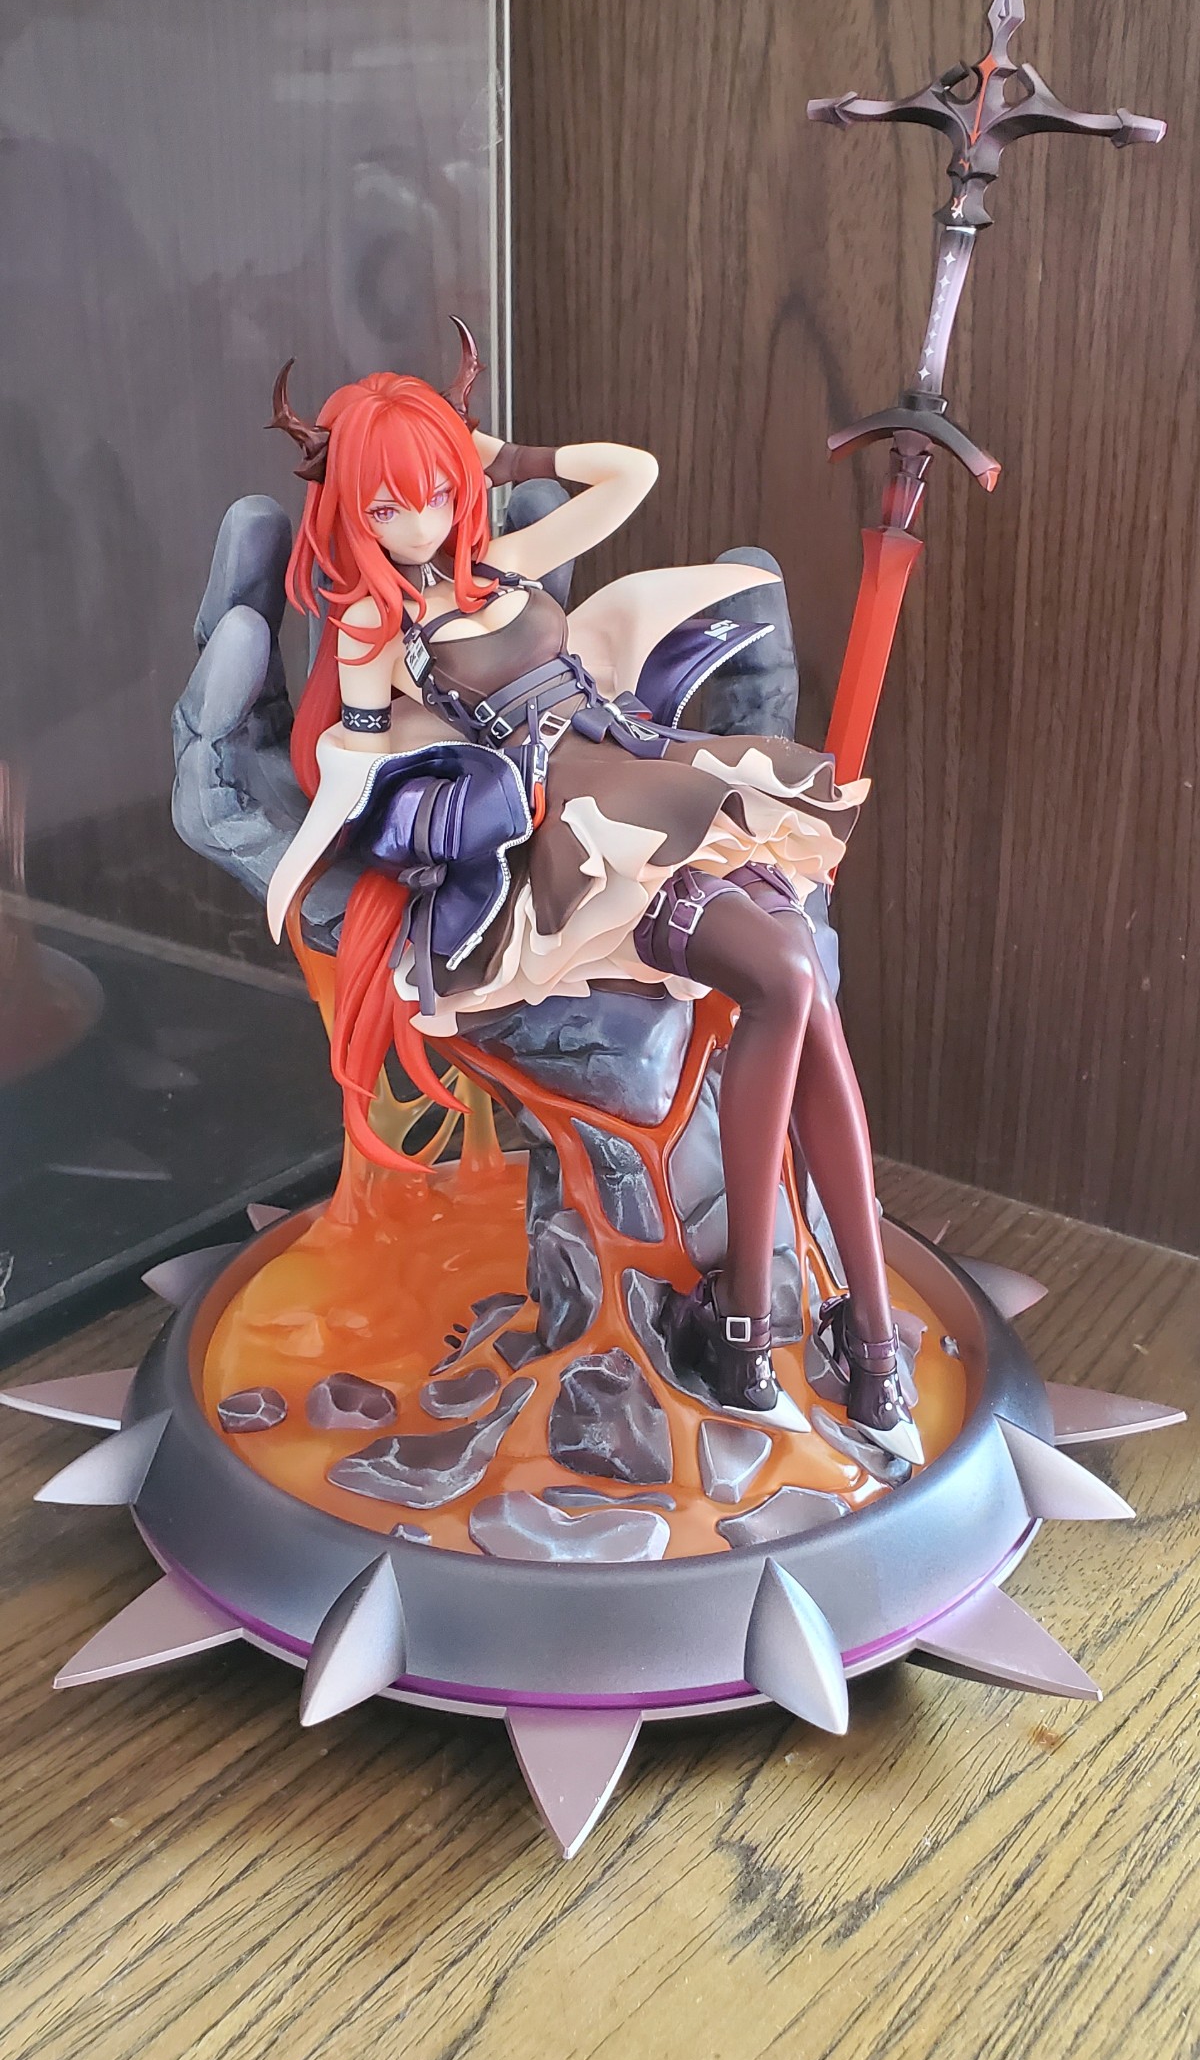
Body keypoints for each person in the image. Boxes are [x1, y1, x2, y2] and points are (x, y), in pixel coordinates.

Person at [265, 360, 912, 1447]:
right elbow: (359, 765)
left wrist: (502, 457)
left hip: (648, 762)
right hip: (581, 833)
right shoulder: (378, 624)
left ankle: (856, 1339)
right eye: (386, 506)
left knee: (802, 978)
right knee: (787, 976)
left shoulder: (499, 562)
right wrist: (329, 854)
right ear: (348, 511)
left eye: (434, 492)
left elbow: (631, 474)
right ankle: (764, 1325)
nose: (420, 523)